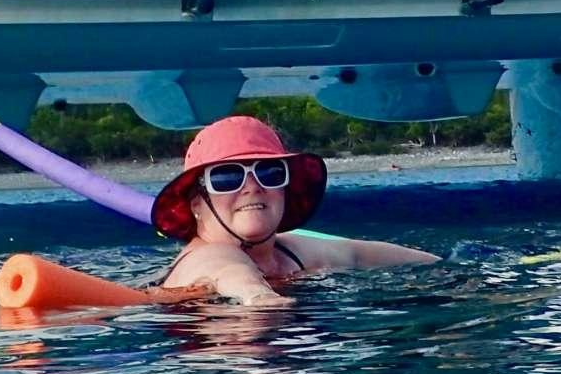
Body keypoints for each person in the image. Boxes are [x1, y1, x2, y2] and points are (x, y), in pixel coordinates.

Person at [149, 115, 441, 307]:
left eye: (270, 172)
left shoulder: (289, 251)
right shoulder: (208, 256)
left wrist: (455, 271)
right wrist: (260, 297)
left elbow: (357, 254)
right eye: (227, 177)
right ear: (196, 204)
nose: (253, 187)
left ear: (285, 189)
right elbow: (229, 273)